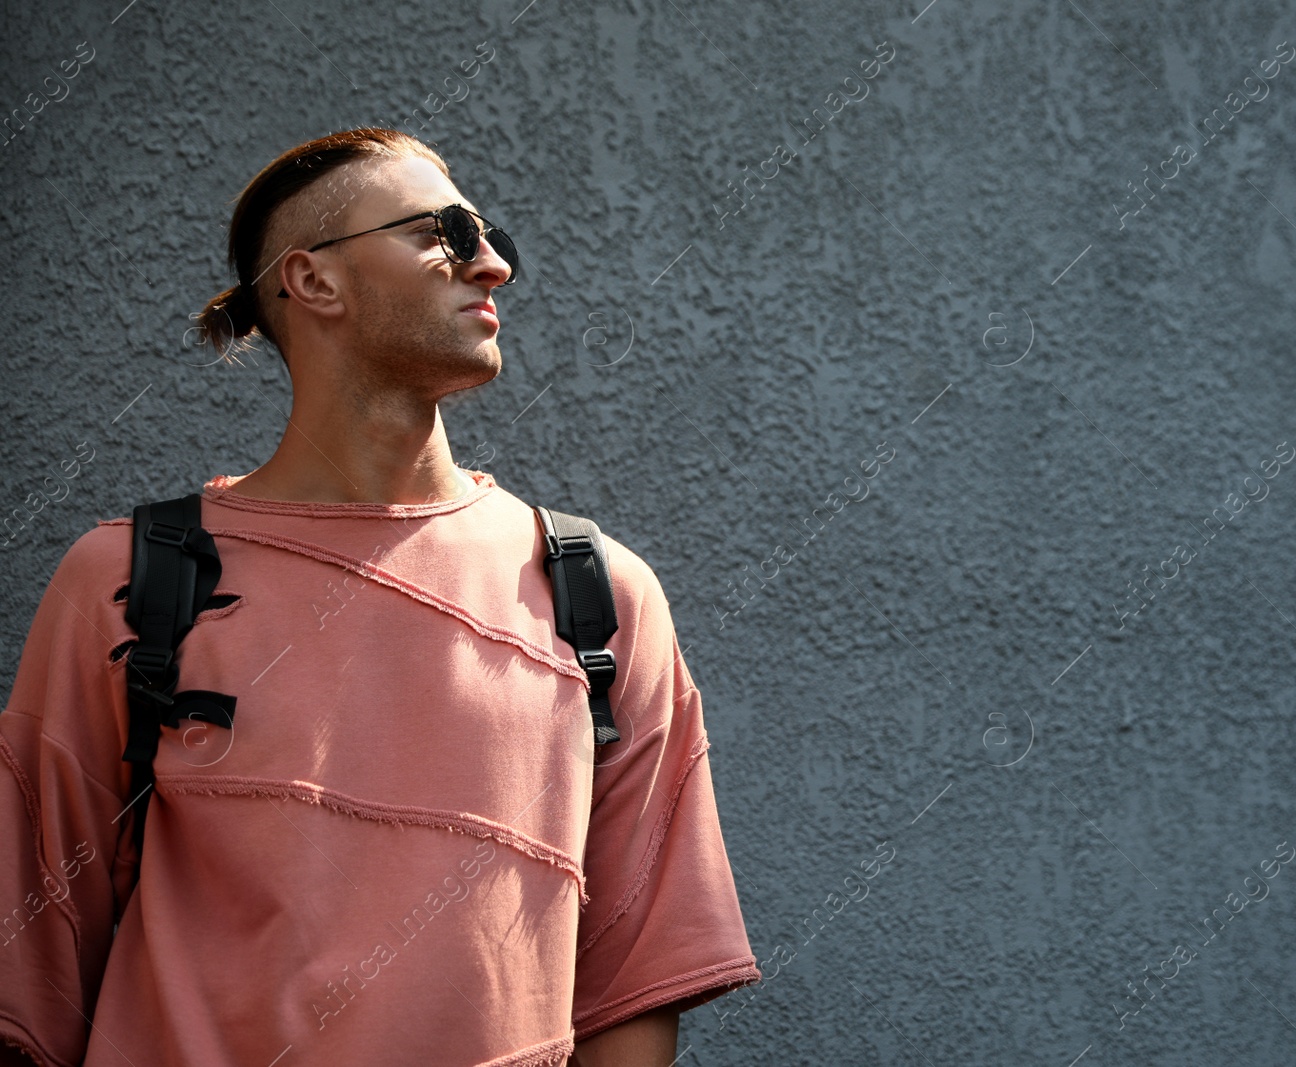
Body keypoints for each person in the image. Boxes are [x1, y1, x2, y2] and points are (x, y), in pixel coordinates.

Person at [0, 128, 760, 1066]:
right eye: (442, 231)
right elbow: (31, 959)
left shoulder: (597, 596)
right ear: (313, 281)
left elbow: (636, 975)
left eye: (493, 236)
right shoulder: (128, 582)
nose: (492, 266)